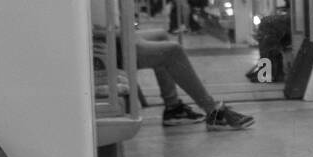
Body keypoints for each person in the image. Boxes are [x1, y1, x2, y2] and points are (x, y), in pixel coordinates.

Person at [94, 26, 254, 130]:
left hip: (113, 36)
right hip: (107, 43)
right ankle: (211, 110)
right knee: (173, 51)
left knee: (161, 35)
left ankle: (173, 108)